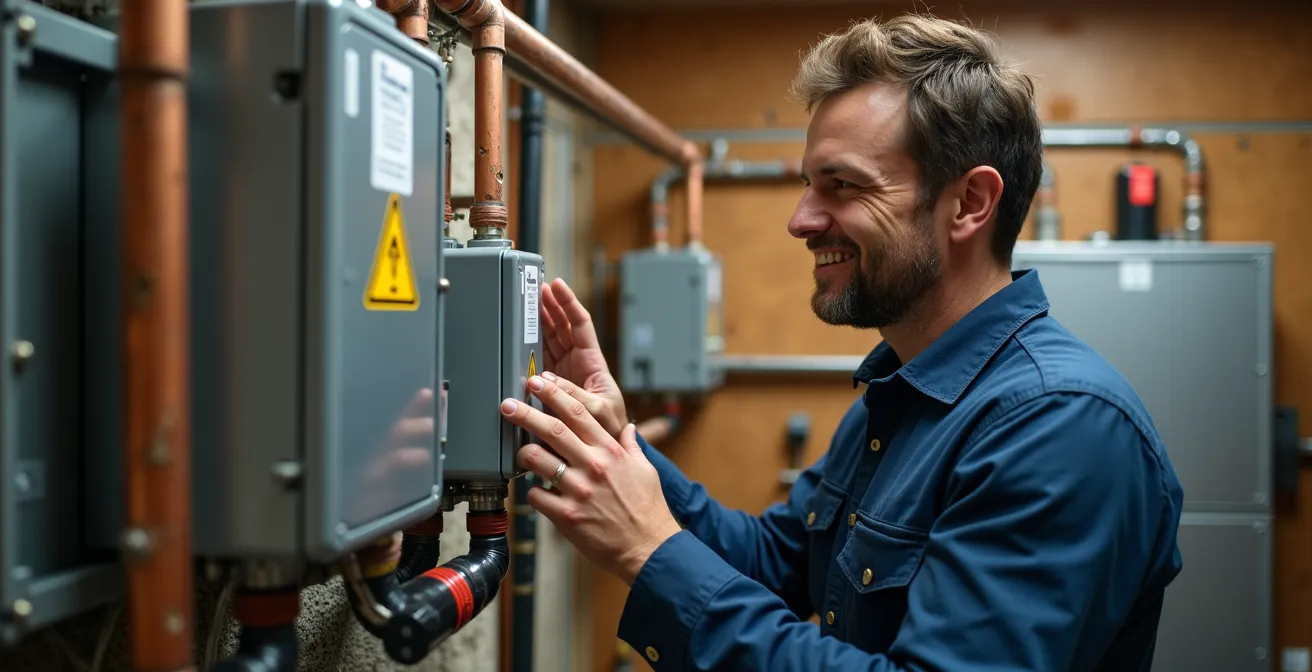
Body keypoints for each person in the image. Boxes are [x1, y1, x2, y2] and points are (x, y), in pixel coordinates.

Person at [497, 14, 1184, 672]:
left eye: (843, 186)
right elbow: (778, 565)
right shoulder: (901, 393)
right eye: (807, 186)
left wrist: (654, 552)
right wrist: (617, 443)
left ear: (970, 203)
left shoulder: (1059, 426)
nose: (801, 220)